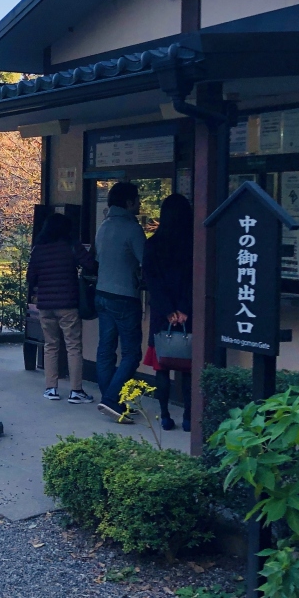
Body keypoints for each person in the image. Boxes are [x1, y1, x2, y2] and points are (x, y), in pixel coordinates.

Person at [27, 212, 97, 403]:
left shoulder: (38, 248)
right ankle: (76, 391)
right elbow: (90, 264)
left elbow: (30, 277)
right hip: (68, 304)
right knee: (73, 346)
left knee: (51, 345)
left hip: (45, 305)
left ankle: (51, 388)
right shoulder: (71, 245)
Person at [93, 181, 147, 419]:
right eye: (137, 199)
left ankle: (110, 398)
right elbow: (146, 261)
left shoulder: (103, 226)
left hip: (102, 293)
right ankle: (111, 399)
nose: (140, 203)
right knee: (131, 354)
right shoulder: (132, 229)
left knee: (106, 349)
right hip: (125, 296)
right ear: (129, 202)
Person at [143, 193, 194, 431]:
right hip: (188, 313)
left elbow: (151, 280)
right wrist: (184, 308)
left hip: (160, 313)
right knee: (189, 366)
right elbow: (194, 279)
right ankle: (188, 417)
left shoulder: (153, 244)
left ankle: (164, 416)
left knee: (161, 367)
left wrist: (167, 310)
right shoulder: (193, 244)